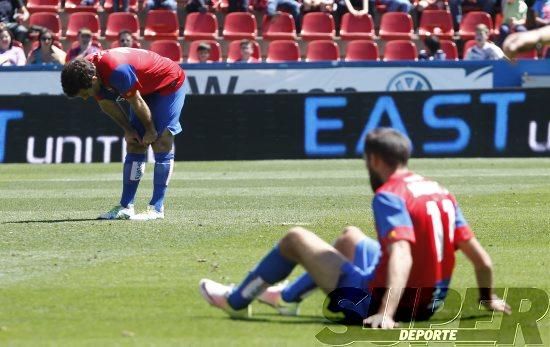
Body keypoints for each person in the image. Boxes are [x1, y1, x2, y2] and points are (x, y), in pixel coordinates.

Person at [199, 128, 511, 327]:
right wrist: (487, 298)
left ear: (375, 160)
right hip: (428, 304)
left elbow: (402, 254)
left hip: (381, 304)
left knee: (295, 238)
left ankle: (236, 302)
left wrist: (385, 314)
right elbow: (481, 259)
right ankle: (287, 299)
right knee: (351, 236)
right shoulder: (439, 190)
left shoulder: (389, 195)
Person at [60, 48, 186, 220]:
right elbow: (107, 104)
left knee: (161, 140)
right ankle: (126, 206)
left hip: (167, 83)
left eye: (84, 93)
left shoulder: (116, 70)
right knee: (135, 143)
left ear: (94, 80)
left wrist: (150, 130)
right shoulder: (88, 70)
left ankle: (157, 207)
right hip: (143, 89)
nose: (84, 98)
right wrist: (129, 130)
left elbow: (136, 101)